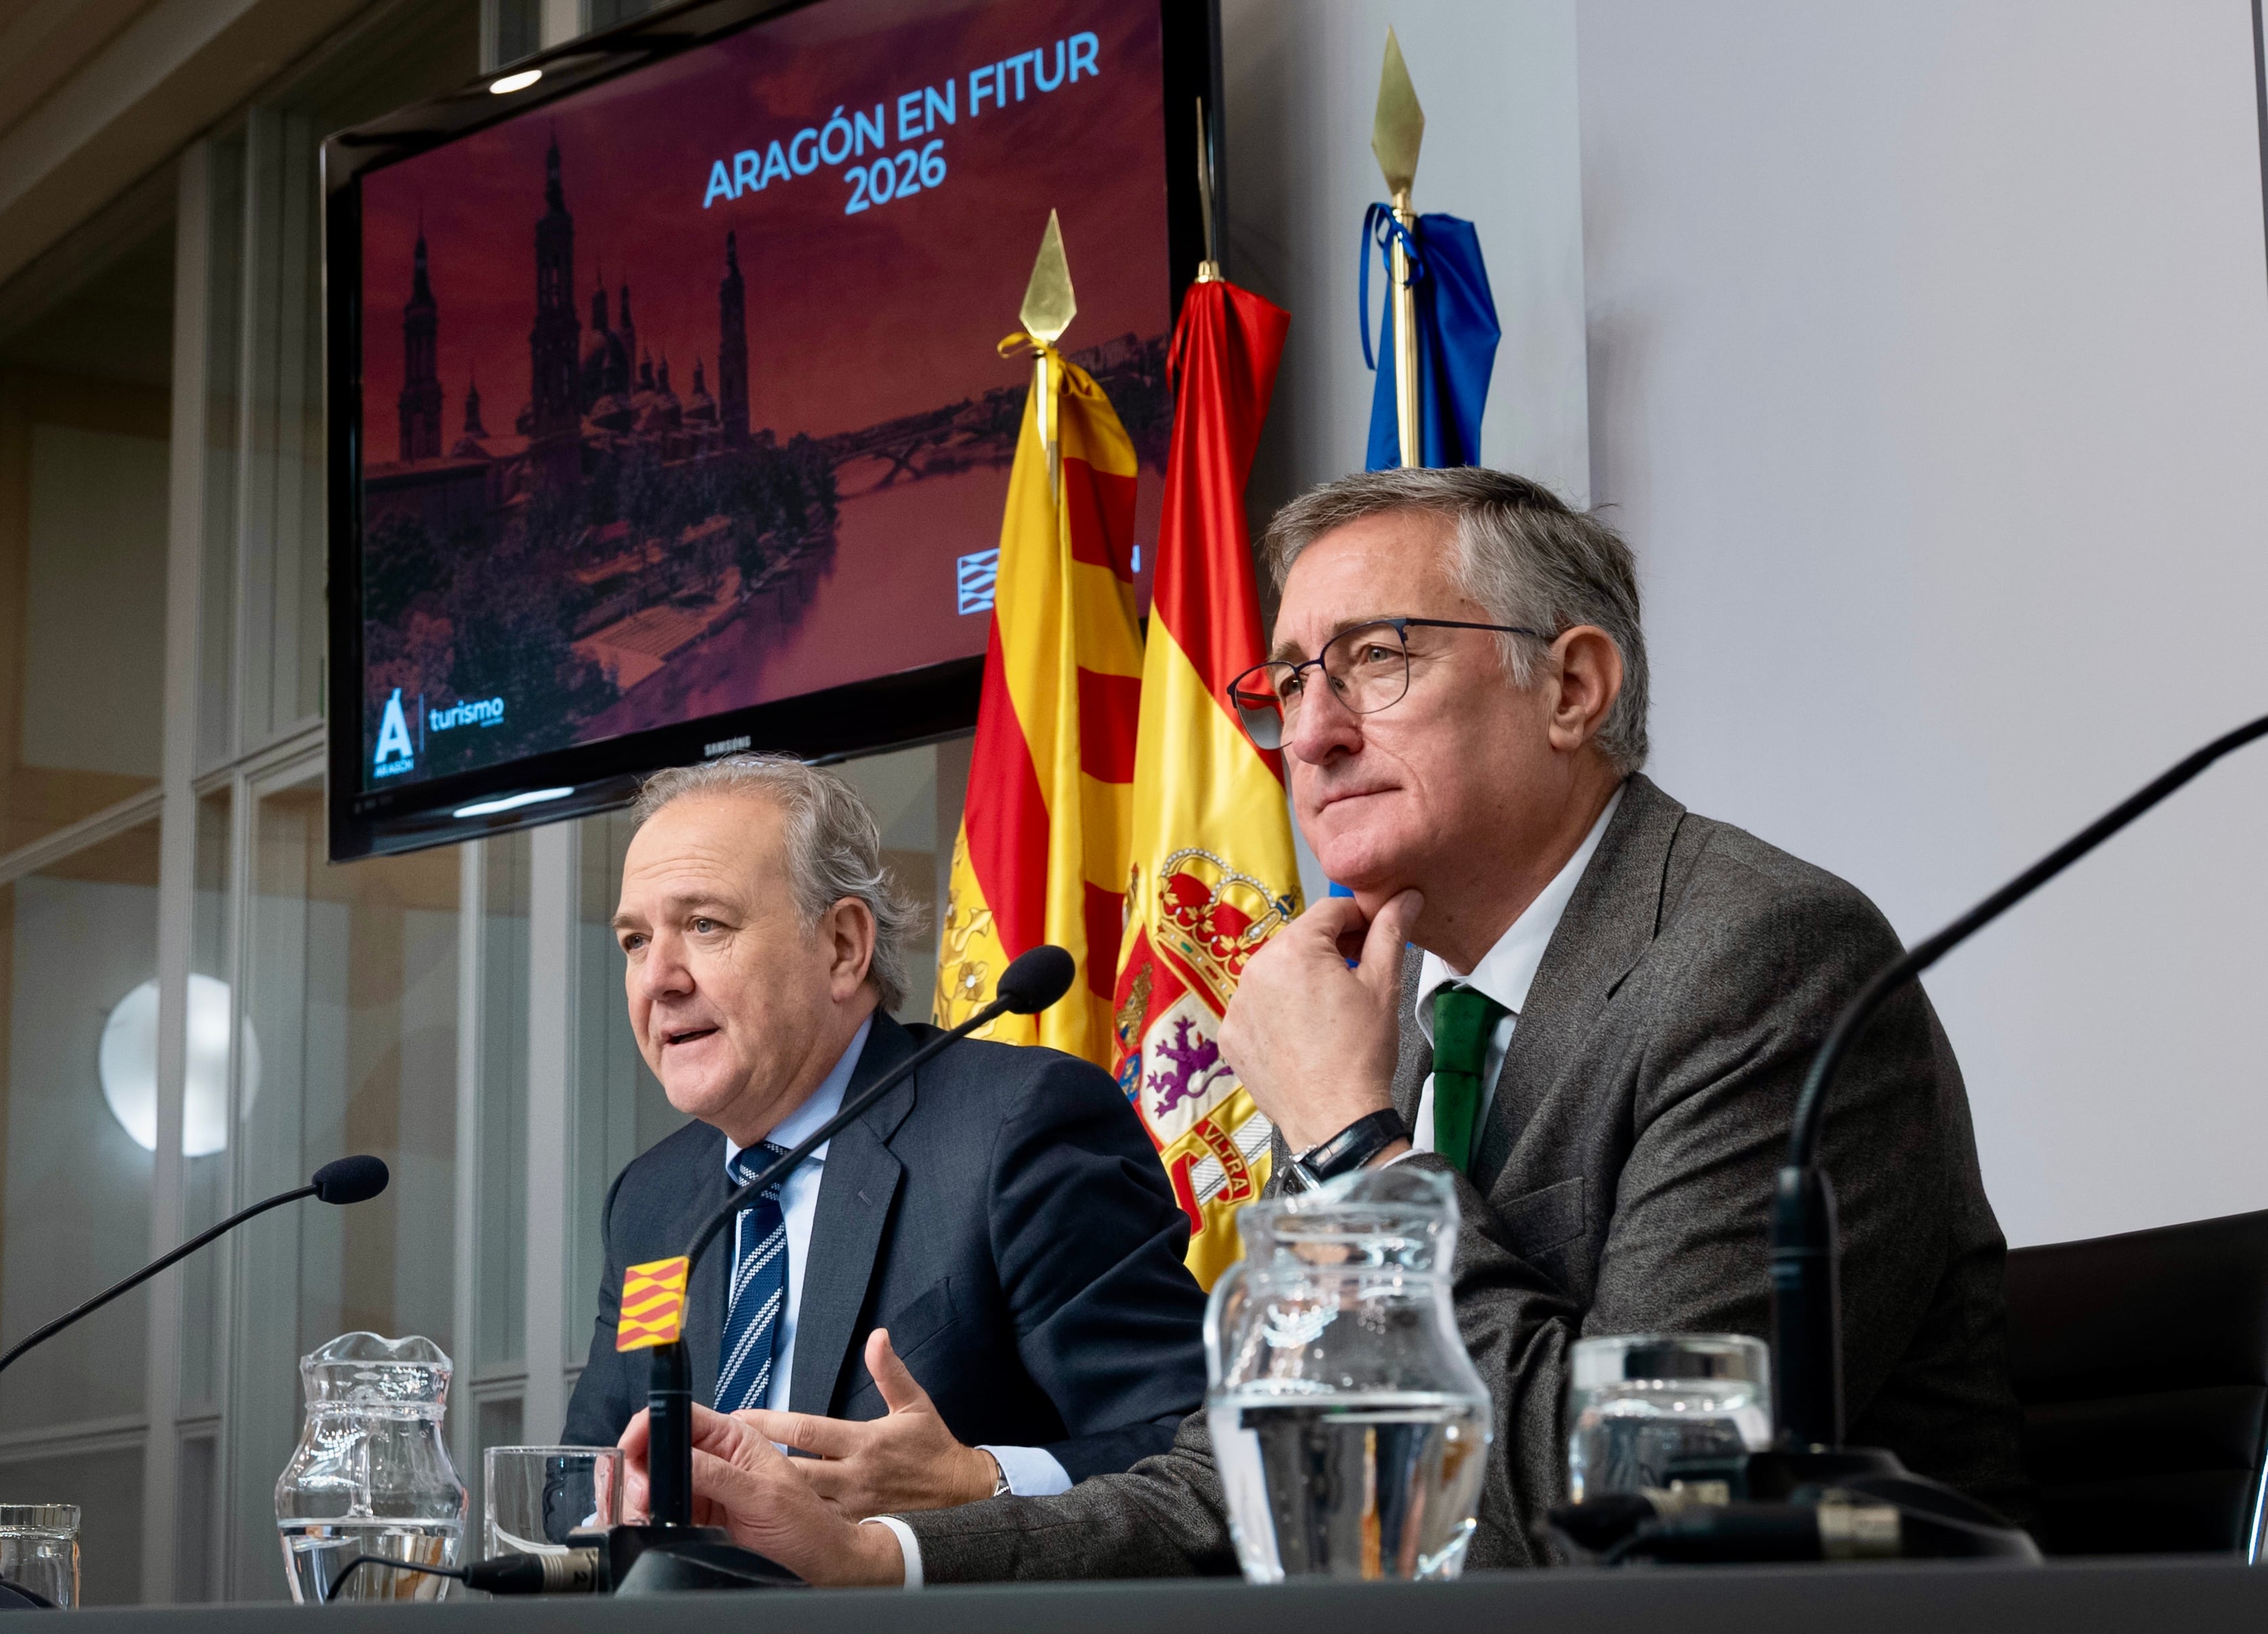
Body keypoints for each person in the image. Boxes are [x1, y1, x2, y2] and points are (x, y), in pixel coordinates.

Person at [608, 466, 2031, 1581]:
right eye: (1289, 680)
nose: (1311, 732)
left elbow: (1631, 1500)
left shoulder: (1760, 961)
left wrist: (1352, 1146)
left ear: (1574, 687)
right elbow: (1242, 1480)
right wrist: (888, 1550)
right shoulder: (1386, 1014)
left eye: (1378, 657)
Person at [560, 755, 1206, 1516]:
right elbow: (579, 1474)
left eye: (705, 924)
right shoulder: (653, 1202)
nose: (657, 978)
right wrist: (614, 1499)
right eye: (635, 940)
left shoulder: (1013, 1128)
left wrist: (978, 1479)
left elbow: (1194, 1450)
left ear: (842, 945)